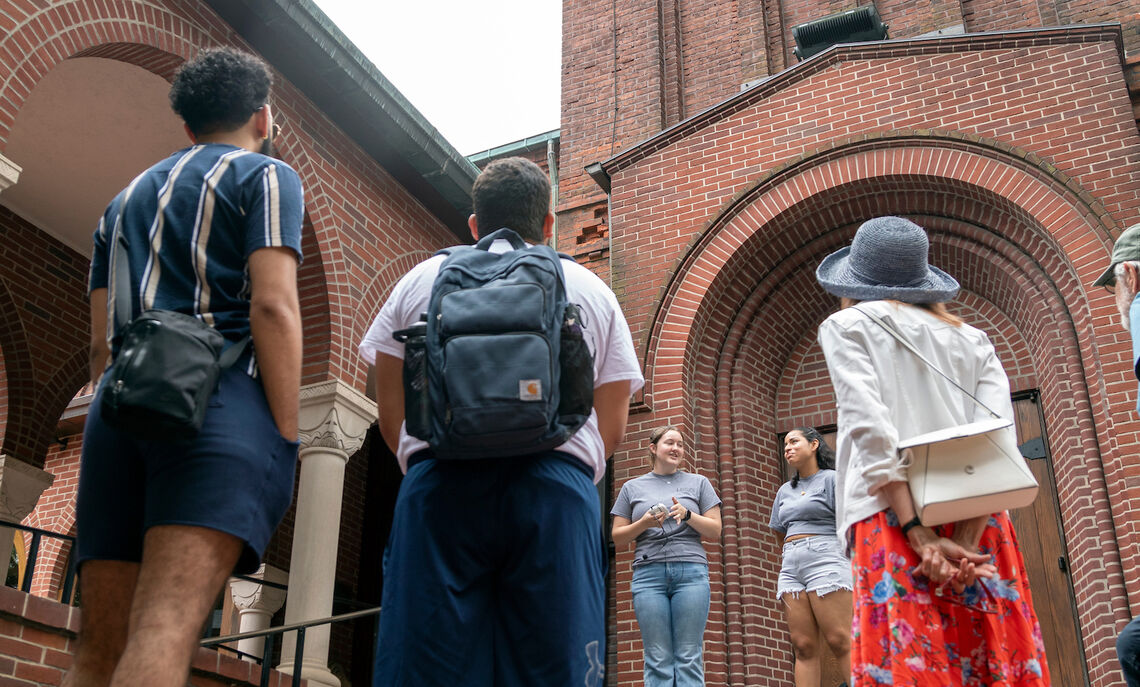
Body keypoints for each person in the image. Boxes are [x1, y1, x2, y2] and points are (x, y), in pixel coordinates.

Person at [65, 48, 303, 687]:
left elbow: (99, 348)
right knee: (165, 634)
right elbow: (274, 307)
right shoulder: (265, 176)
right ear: (263, 114)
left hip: (118, 408)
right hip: (218, 406)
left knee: (95, 649)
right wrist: (285, 434)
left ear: (188, 126)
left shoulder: (121, 202)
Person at [358, 156, 644, 687]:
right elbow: (613, 427)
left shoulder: (421, 279)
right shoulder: (589, 288)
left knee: (424, 667)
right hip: (555, 494)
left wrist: (424, 461)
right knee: (554, 668)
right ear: (547, 222)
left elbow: (390, 409)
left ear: (473, 224)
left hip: (440, 486)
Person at [814, 216, 1051, 686]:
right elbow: (998, 436)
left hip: (891, 515)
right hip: (979, 522)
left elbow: (869, 427)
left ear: (854, 281)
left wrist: (918, 532)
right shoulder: (972, 338)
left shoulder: (847, 325)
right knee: (991, 661)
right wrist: (964, 542)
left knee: (909, 666)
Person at [610, 425, 722, 687]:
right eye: (669, 443)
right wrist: (645, 523)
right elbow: (618, 537)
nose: (676, 449)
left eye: (680, 445)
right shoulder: (631, 487)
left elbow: (715, 530)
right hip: (648, 574)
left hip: (691, 572)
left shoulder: (699, 483)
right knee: (658, 657)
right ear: (653, 448)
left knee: (688, 655)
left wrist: (688, 515)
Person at [1092, 222, 1140, 687]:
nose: (1116, 300)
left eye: (1115, 287)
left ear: (1131, 274)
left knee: (1132, 644)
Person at [768, 427, 853, 687]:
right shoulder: (784, 490)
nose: (788, 448)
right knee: (803, 646)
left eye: (795, 442)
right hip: (792, 566)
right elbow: (779, 531)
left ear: (814, 444)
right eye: (785, 446)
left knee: (839, 639)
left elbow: (848, 521)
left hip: (826, 558)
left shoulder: (831, 479)